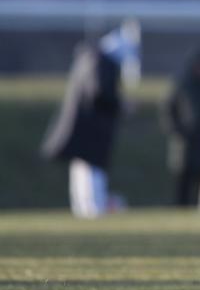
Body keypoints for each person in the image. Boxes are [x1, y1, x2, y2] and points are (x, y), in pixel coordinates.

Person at [41, 21, 141, 218]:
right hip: (90, 131)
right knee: (90, 171)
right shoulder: (101, 62)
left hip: (83, 128)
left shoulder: (89, 58)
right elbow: (100, 93)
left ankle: (86, 209)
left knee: (82, 170)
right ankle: (93, 209)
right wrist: (121, 105)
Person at [161, 49, 200, 207]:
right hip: (185, 145)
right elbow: (168, 110)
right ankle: (180, 210)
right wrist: (177, 130)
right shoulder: (183, 84)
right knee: (183, 181)